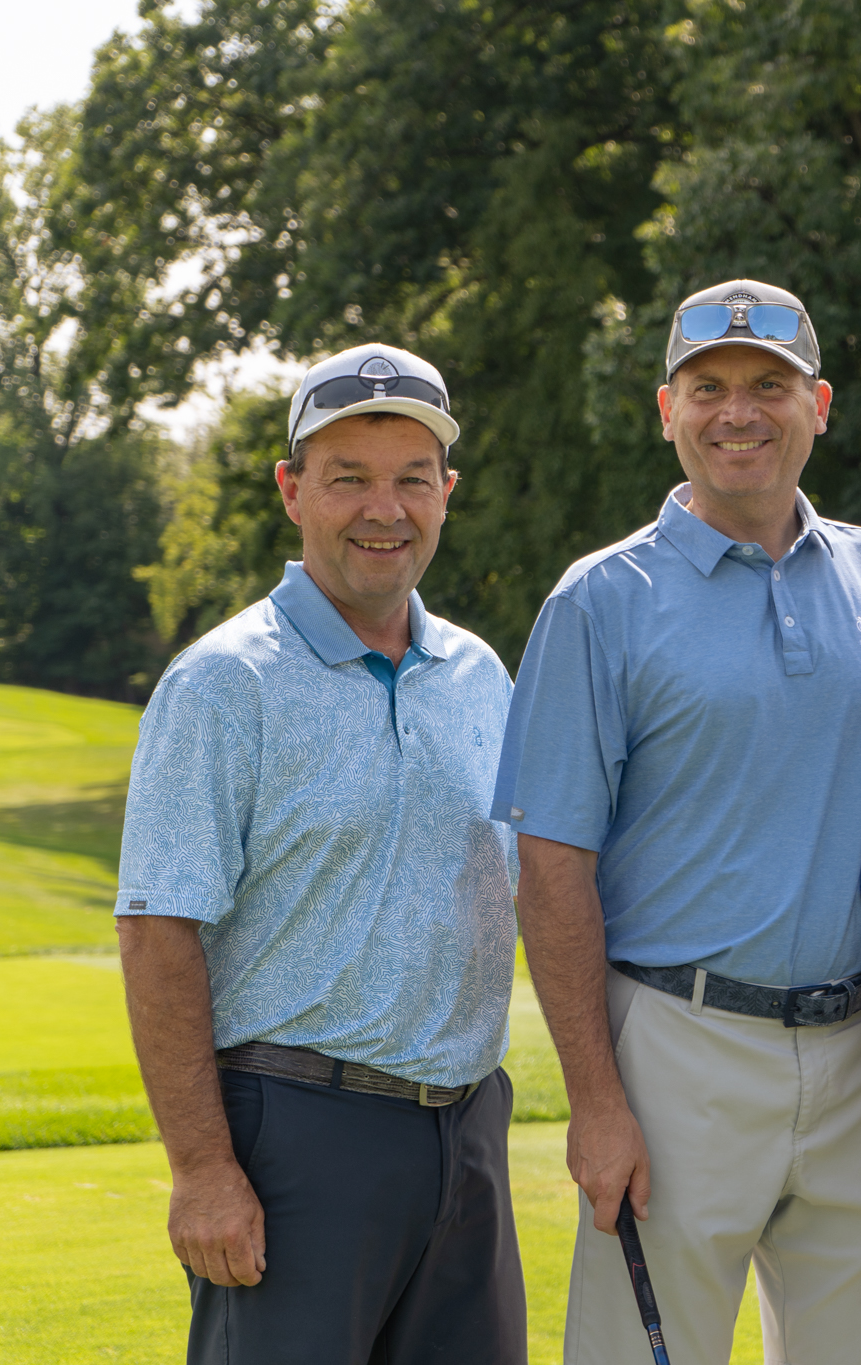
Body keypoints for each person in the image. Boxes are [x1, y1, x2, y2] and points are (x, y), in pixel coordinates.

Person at [495, 279, 861, 1365]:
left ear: (818, 404)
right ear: (666, 409)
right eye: (709, 388)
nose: (737, 411)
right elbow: (551, 869)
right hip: (676, 1049)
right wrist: (594, 1103)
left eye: (767, 386)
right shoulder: (597, 599)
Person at [115, 344, 525, 1364]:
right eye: (348, 479)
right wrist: (203, 1169)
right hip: (293, 1132)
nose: (382, 509)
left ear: (446, 496)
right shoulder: (222, 684)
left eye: (410, 480)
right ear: (293, 490)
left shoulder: (478, 674)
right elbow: (158, 930)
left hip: (466, 1134)